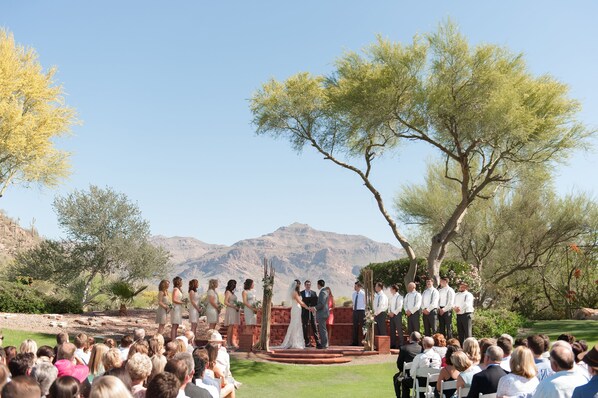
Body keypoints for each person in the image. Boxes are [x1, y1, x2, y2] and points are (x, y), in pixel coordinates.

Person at [278, 280, 309, 349]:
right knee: (294, 324)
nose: (299, 286)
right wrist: (307, 307)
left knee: (297, 324)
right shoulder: (294, 293)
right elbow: (300, 302)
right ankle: (294, 342)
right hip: (296, 309)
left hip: (297, 309)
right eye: (299, 284)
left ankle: (295, 341)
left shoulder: (296, 292)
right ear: (297, 285)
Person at [393, 331, 422, 398]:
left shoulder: (404, 348)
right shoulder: (422, 349)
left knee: (396, 378)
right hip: (420, 375)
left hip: (407, 375)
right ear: (419, 339)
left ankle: (399, 396)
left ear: (410, 338)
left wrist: (402, 371)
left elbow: (399, 363)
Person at [310, 279, 330, 349]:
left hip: (322, 314)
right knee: (322, 329)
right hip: (323, 313)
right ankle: (325, 344)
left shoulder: (323, 292)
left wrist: (314, 308)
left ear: (319, 284)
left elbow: (321, 304)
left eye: (317, 284)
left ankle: (324, 344)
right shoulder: (324, 291)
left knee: (322, 329)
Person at [300, 280, 319, 347]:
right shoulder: (301, 293)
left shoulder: (314, 293)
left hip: (312, 311)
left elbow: (316, 302)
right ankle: (307, 342)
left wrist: (313, 308)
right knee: (304, 326)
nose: (308, 286)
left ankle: (317, 342)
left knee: (314, 326)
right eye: (307, 284)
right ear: (305, 285)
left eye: (309, 284)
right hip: (304, 312)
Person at [223, 280, 240, 350]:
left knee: (232, 327)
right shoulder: (228, 292)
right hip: (230, 310)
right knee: (230, 327)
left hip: (234, 311)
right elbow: (225, 302)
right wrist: (233, 306)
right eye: (235, 284)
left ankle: (231, 342)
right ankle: (228, 343)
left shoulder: (232, 293)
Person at [388, 284, 404, 349]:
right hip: (391, 315)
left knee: (399, 329)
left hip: (397, 314)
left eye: (391, 289)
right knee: (392, 329)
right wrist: (389, 312)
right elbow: (389, 306)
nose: (390, 290)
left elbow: (399, 307)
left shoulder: (399, 297)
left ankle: (401, 344)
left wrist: (393, 313)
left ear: (394, 289)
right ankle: (393, 344)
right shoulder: (391, 297)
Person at [351, 281, 366, 346]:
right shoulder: (353, 294)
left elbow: (365, 303)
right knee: (355, 327)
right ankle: (355, 342)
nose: (355, 287)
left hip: (362, 311)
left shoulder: (363, 294)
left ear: (359, 286)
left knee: (363, 327)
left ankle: (365, 342)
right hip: (355, 311)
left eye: (356, 286)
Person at [171, 276, 184, 341]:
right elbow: (174, 300)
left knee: (177, 325)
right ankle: (173, 340)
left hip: (178, 308)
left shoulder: (178, 289)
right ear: (178, 282)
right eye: (181, 281)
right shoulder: (175, 289)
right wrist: (182, 302)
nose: (182, 283)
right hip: (176, 308)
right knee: (174, 325)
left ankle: (175, 339)